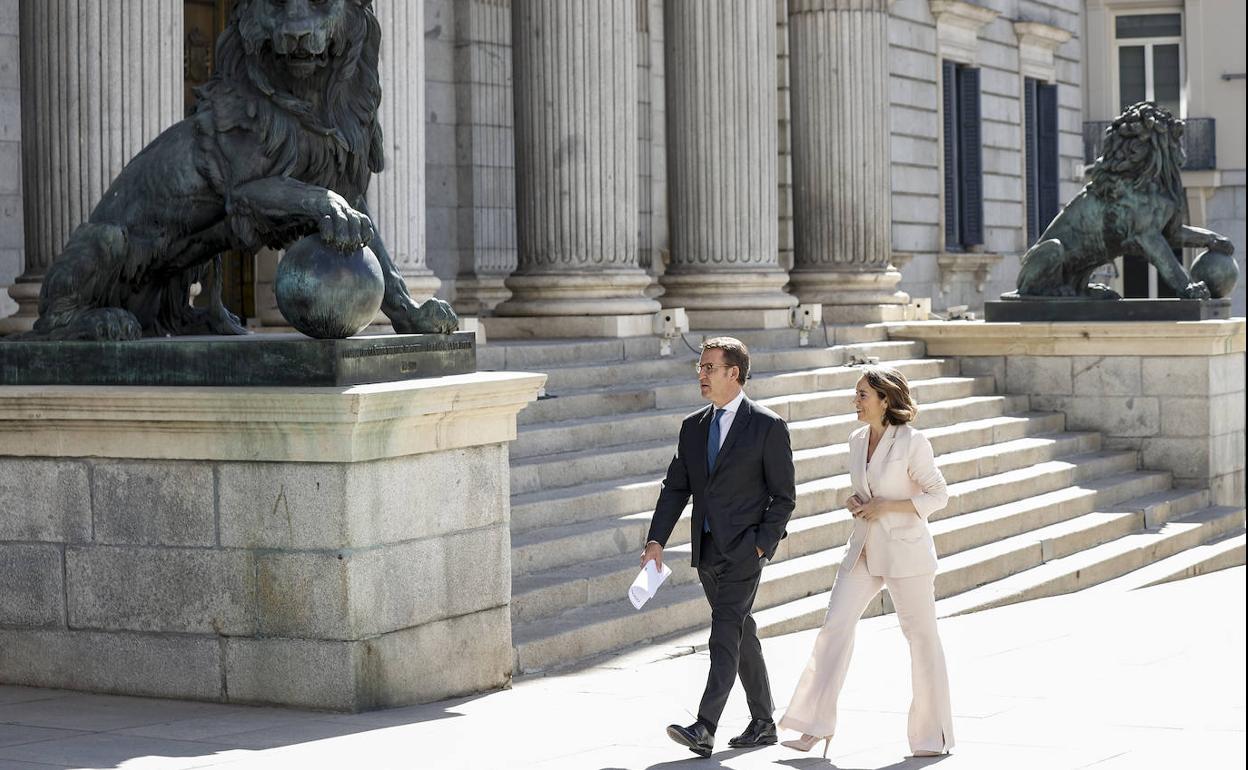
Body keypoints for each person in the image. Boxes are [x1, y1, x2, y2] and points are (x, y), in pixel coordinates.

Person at [778, 365, 954, 759]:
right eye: (856, 394)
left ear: (884, 400)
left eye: (861, 395)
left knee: (922, 640)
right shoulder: (857, 439)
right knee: (834, 628)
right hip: (862, 549)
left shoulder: (912, 441)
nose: (854, 401)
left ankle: (932, 737)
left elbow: (939, 495)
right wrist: (855, 502)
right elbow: (865, 488)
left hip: (906, 552)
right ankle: (812, 725)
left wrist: (886, 506)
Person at [642, 336, 796, 759]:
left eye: (710, 367)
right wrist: (656, 540)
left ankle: (705, 726)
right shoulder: (693, 427)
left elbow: (784, 497)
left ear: (734, 373)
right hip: (707, 551)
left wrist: (761, 547)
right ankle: (763, 722)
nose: (701, 374)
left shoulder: (767, 426)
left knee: (724, 634)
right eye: (700, 368)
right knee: (741, 631)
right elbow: (675, 488)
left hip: (745, 553)